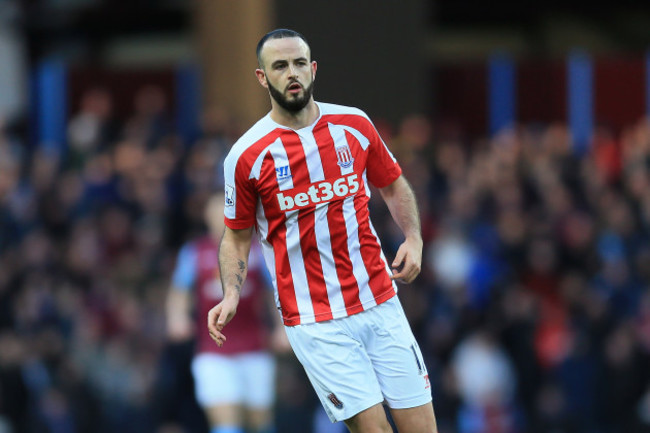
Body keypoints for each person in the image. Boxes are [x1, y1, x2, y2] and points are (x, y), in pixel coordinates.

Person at [207, 28, 438, 433]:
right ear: (263, 77)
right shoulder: (245, 155)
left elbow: (393, 182)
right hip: (315, 321)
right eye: (280, 66)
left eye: (299, 63)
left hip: (380, 300)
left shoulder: (353, 124)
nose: (292, 73)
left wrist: (414, 238)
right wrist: (231, 292)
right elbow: (237, 234)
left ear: (313, 69)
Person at [167, 193, 286, 433]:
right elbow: (179, 292)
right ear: (207, 217)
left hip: (255, 347)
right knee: (226, 423)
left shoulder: (256, 251)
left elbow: (273, 292)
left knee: (260, 423)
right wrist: (176, 318)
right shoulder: (194, 253)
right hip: (214, 352)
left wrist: (282, 328)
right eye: (215, 213)